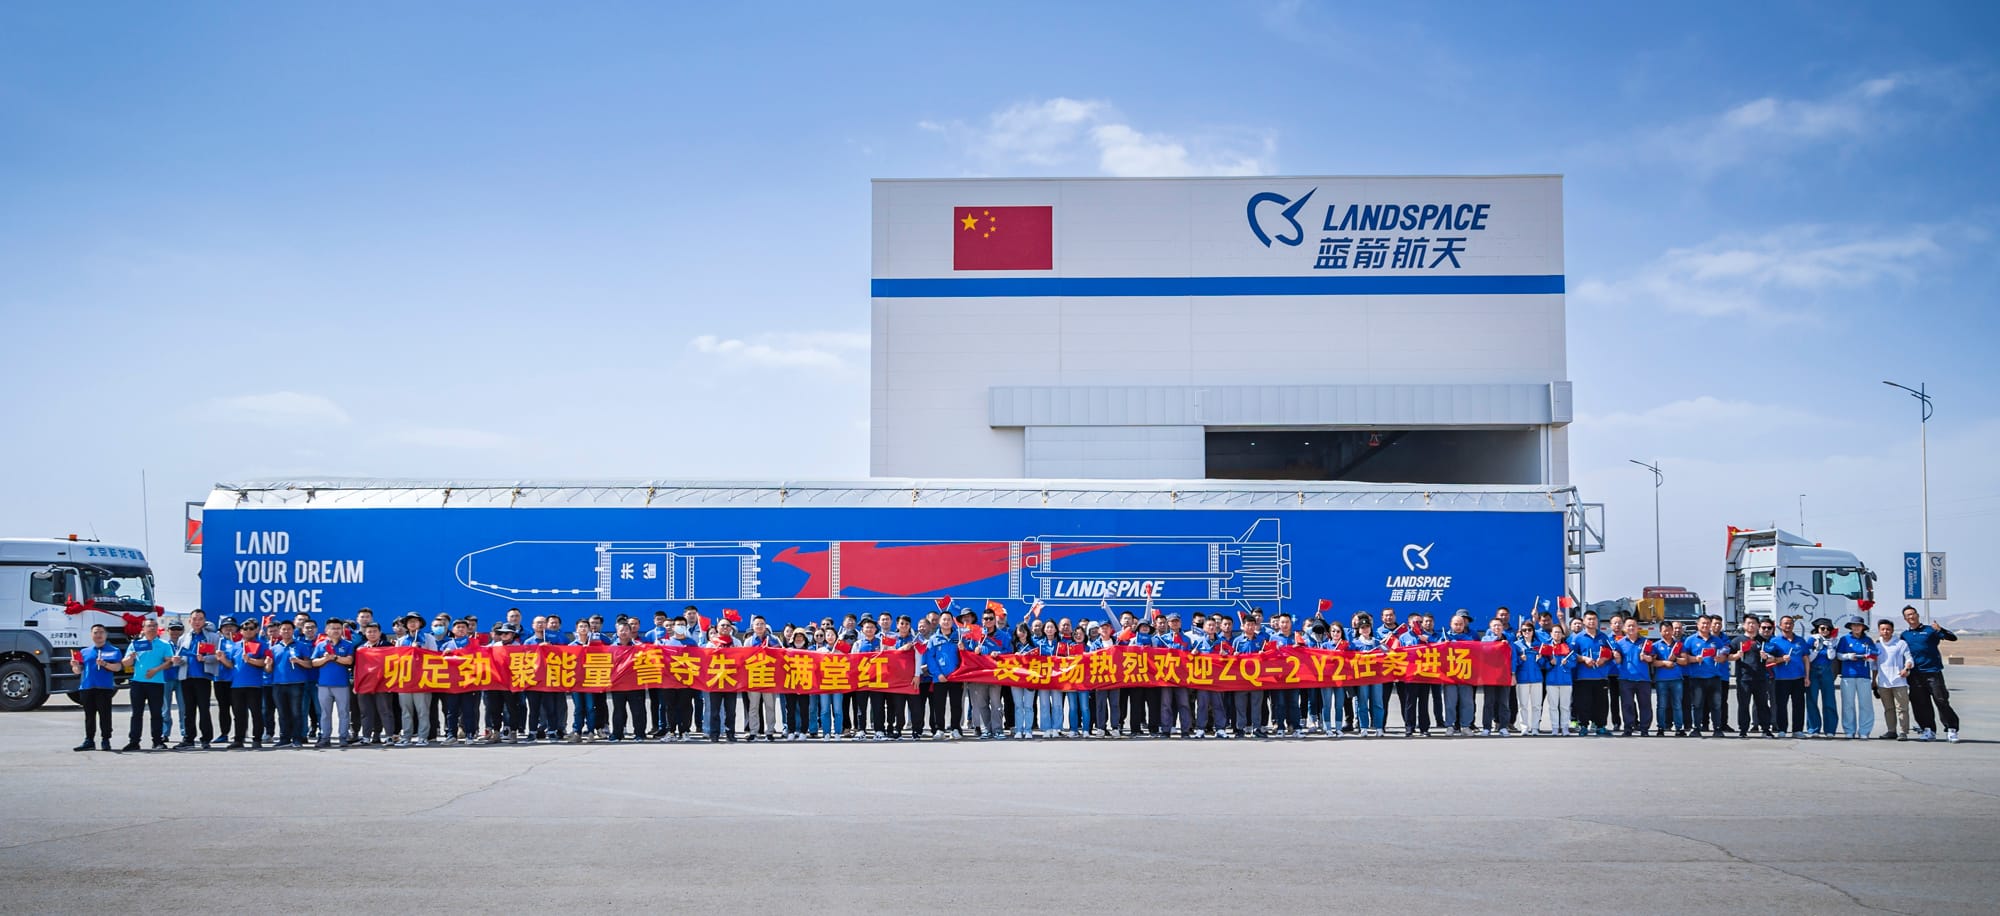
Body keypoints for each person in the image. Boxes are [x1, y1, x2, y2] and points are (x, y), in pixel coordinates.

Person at [1898, 606, 1961, 743]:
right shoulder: (1904, 635)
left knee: (1941, 700)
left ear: (1917, 615)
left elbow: (1953, 638)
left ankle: (1951, 729)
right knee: (1920, 703)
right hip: (1915, 674)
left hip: (1932, 671)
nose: (1911, 617)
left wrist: (1940, 629)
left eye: (1913, 614)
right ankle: (1928, 729)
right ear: (1904, 618)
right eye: (1908, 615)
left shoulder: (1930, 630)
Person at [119, 618, 173, 751]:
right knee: (137, 713)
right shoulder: (136, 644)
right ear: (143, 629)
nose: (152, 628)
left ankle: (157, 741)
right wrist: (130, 657)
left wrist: (156, 670)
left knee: (156, 713)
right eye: (149, 626)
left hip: (156, 682)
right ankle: (134, 741)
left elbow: (169, 662)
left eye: (155, 626)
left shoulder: (164, 644)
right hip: (138, 683)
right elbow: (125, 663)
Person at [218, 616, 271, 749]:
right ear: (241, 631)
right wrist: (222, 659)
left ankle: (257, 738)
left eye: (251, 628)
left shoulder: (262, 645)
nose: (247, 631)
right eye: (245, 628)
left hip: (254, 684)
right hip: (237, 684)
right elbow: (231, 665)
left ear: (256, 630)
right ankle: (238, 739)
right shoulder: (235, 646)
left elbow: (264, 663)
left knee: (256, 713)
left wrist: (250, 660)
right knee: (239, 713)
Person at [172, 609, 221, 748]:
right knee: (188, 710)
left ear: (204, 620)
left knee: (204, 709)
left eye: (200, 619)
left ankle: (206, 739)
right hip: (186, 677)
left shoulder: (212, 637)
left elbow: (217, 658)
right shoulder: (184, 638)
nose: (197, 622)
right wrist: (177, 660)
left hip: (203, 677)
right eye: (194, 619)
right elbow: (180, 657)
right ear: (190, 621)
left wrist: (204, 658)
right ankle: (188, 738)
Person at [308, 618, 356, 748]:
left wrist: (334, 657)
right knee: (325, 713)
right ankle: (325, 737)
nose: (335, 630)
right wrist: (325, 658)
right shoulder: (320, 645)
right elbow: (313, 663)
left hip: (342, 684)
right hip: (323, 684)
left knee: (344, 712)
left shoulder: (347, 644)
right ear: (326, 630)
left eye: (338, 628)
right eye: (332, 628)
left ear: (342, 630)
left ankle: (343, 737)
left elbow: (349, 661)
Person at [74, 623, 122, 751]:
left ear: (106, 635)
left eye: (101, 632)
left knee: (105, 715)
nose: (98, 635)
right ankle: (89, 740)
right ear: (91, 635)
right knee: (89, 716)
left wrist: (105, 664)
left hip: (104, 688)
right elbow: (78, 671)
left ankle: (105, 739)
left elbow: (117, 667)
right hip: (87, 687)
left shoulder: (113, 650)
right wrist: (74, 665)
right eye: (95, 632)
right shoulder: (84, 651)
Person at [1568, 611, 1614, 736]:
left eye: (1594, 619)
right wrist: (1584, 659)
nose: (1592, 621)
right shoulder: (1577, 638)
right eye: (1589, 619)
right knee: (1583, 703)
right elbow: (1571, 655)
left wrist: (1604, 659)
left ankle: (1601, 726)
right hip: (1583, 677)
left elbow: (1611, 653)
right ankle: (1583, 726)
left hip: (1600, 676)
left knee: (1601, 703)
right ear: (1584, 621)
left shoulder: (1603, 637)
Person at [394, 611, 434, 747]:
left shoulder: (428, 638)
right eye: (409, 621)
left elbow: (434, 656)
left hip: (421, 679)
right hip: (404, 680)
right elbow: (395, 659)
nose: (412, 623)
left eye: (415, 621)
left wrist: (419, 650)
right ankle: (407, 736)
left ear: (420, 624)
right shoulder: (401, 641)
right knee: (406, 711)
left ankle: (423, 736)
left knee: (422, 710)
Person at [738, 615, 782, 742]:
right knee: (753, 706)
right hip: (754, 677)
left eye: (762, 624)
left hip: (769, 677)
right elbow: (744, 659)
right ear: (753, 626)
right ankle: (753, 731)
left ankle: (769, 731)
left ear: (765, 625)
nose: (759, 626)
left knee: (770, 706)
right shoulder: (748, 642)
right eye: (757, 624)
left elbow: (781, 655)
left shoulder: (774, 640)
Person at [1833, 616, 1877, 740]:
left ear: (1863, 627)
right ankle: (1849, 730)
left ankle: (1864, 731)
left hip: (1864, 675)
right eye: (1854, 625)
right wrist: (1847, 656)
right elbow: (1838, 655)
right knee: (1848, 704)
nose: (1856, 627)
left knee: (1866, 704)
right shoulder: (1844, 639)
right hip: (1848, 675)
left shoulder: (1868, 640)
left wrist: (1868, 657)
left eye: (1859, 625)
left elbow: (1874, 655)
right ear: (1851, 627)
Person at [1765, 615, 1808, 738]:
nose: (1788, 626)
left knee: (1799, 705)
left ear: (1793, 625)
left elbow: (1805, 659)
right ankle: (1781, 729)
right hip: (1781, 678)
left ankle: (1797, 730)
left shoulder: (1800, 641)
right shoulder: (1774, 641)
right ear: (1780, 625)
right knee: (1781, 705)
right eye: (1785, 623)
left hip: (1798, 678)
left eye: (1790, 623)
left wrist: (1807, 676)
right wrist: (1781, 659)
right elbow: (1769, 660)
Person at [353, 621, 395, 744]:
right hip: (364, 684)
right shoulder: (360, 648)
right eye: (369, 631)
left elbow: (393, 665)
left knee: (385, 710)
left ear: (380, 633)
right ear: (365, 633)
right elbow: (356, 668)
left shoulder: (387, 646)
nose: (372, 634)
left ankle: (389, 736)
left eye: (375, 631)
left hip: (383, 684)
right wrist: (356, 685)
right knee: (366, 712)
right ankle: (366, 737)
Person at [1612, 618, 1653, 738]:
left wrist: (1646, 657)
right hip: (1626, 678)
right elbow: (1618, 661)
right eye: (1628, 626)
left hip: (1643, 679)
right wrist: (1617, 657)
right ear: (1624, 628)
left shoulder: (1646, 642)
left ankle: (1644, 729)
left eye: (1633, 626)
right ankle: (1628, 728)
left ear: (1637, 628)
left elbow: (1652, 658)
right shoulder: (1620, 643)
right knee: (1627, 704)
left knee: (1645, 705)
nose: (1631, 628)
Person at [1874, 619, 1914, 741]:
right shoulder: (1877, 645)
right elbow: (1874, 665)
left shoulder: (1900, 644)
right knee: (1888, 708)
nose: (1885, 631)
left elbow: (1909, 658)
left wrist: (1906, 669)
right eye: (1883, 629)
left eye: (1888, 629)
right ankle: (1891, 730)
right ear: (1879, 630)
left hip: (1899, 681)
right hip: (1883, 683)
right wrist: (1873, 680)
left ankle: (1903, 731)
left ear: (1892, 630)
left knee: (1902, 708)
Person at [703, 617, 739, 742]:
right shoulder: (711, 643)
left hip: (731, 680)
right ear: (717, 628)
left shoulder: (736, 642)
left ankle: (730, 733)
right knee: (715, 710)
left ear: (731, 628)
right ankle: (714, 733)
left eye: (727, 625)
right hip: (716, 681)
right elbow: (706, 660)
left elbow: (742, 659)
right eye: (722, 625)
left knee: (731, 710)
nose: (725, 628)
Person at [1805, 618, 1840, 738]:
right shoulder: (1811, 639)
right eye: (1822, 628)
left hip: (1827, 671)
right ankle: (1813, 728)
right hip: (1813, 671)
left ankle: (1830, 729)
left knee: (1829, 700)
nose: (1825, 630)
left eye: (1828, 628)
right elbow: (1808, 659)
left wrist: (1830, 645)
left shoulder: (1833, 641)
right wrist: (1816, 649)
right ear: (1817, 629)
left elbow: (1831, 657)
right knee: (1811, 700)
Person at [1349, 614, 1384, 736]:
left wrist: (1385, 646)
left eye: (1367, 627)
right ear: (1358, 630)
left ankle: (1379, 727)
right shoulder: (1354, 644)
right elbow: (1349, 660)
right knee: (1362, 701)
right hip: (1362, 677)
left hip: (1376, 677)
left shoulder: (1377, 642)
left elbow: (1389, 655)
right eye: (1362, 627)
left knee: (1378, 702)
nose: (1365, 629)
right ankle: (1363, 727)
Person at [1539, 622, 1575, 736]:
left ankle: (1565, 727)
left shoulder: (1568, 647)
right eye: (1555, 632)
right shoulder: (1547, 647)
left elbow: (1574, 663)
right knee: (1553, 706)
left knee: (1565, 706)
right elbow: (1542, 664)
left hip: (1566, 680)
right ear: (1551, 634)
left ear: (1563, 635)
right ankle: (1555, 727)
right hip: (1551, 681)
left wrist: (1567, 662)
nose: (1557, 634)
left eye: (1559, 632)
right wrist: (1550, 663)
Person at [1650, 621, 1685, 737]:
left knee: (1677, 705)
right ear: (1660, 632)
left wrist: (1675, 660)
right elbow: (1653, 662)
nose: (1667, 632)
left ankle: (1679, 728)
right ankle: (1661, 727)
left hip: (1677, 679)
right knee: (1662, 705)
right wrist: (1665, 663)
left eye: (1669, 630)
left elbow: (1685, 661)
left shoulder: (1679, 645)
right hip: (1661, 680)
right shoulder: (1655, 646)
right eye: (1664, 630)